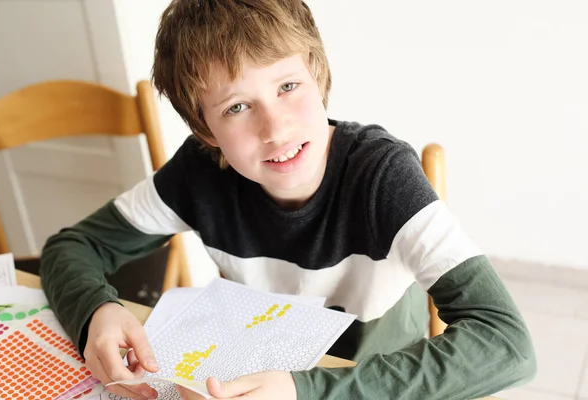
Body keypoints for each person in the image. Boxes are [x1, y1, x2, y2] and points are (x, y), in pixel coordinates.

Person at [40, 0, 536, 399]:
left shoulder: (381, 176)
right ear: (204, 130)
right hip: (252, 374)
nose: (275, 129)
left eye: (288, 86)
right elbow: (71, 247)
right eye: (237, 107)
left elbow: (507, 343)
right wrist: (95, 313)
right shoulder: (198, 173)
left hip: (367, 383)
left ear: (318, 76)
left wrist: (304, 390)